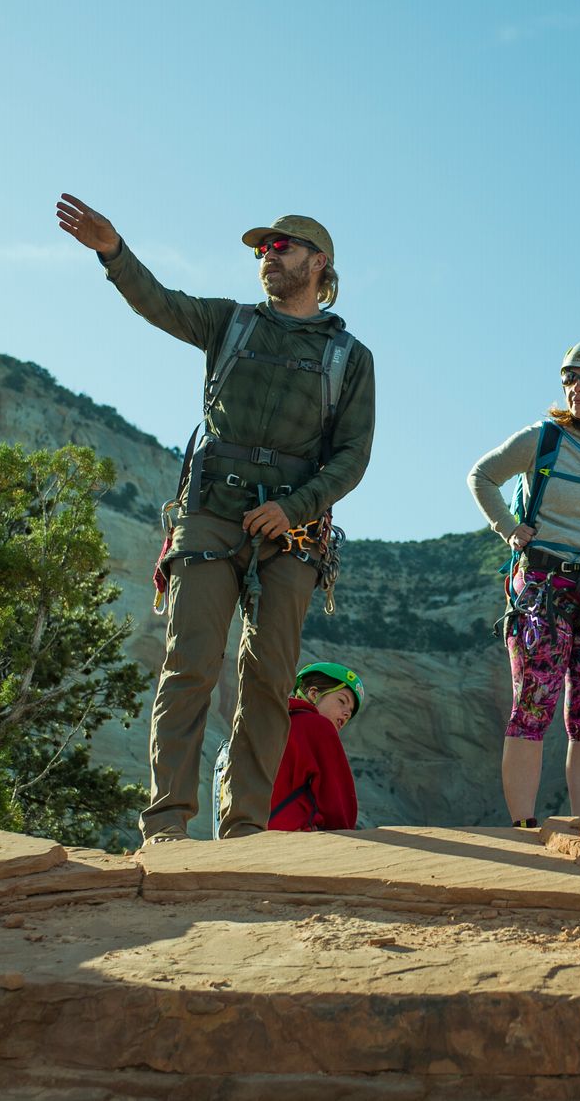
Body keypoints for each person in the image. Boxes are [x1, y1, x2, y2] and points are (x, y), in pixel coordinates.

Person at [55, 195, 375, 842]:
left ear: (319, 263)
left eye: (280, 247)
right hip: (209, 516)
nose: (267, 256)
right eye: (262, 249)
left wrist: (293, 508)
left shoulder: (351, 359)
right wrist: (114, 253)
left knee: (269, 683)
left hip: (292, 536)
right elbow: (160, 302)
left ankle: (247, 828)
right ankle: (167, 823)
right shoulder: (229, 324)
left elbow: (352, 457)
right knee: (190, 664)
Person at [467, 340, 580, 827]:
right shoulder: (543, 438)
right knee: (532, 704)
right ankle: (524, 828)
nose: (576, 388)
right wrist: (509, 529)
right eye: (569, 378)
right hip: (542, 589)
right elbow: (482, 476)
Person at [268, 661, 363, 833]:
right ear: (313, 694)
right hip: (294, 834)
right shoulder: (318, 726)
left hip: (255, 830)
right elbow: (338, 799)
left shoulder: (274, 723)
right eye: (342, 701)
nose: (347, 713)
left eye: (350, 710)